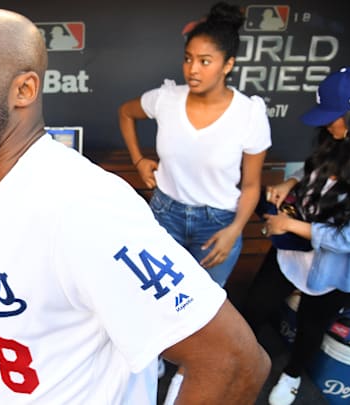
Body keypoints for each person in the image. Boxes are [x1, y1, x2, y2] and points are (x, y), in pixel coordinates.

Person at [0, 8, 270, 405]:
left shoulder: (83, 206)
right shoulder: (0, 187)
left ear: (23, 90)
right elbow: (21, 316)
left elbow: (235, 363)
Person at [118, 3, 271, 401]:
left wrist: (234, 231)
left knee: (197, 312)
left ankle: (185, 374)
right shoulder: (167, 100)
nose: (193, 69)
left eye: (205, 61)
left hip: (216, 226)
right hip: (164, 215)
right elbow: (125, 113)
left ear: (228, 65)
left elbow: (252, 186)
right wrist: (139, 160)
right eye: (188, 59)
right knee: (150, 296)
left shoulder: (249, 115)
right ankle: (152, 360)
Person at [242, 66, 350, 405]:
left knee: (311, 323)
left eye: (333, 116)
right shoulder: (335, 138)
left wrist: (290, 225)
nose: (326, 123)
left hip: (337, 265)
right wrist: (290, 184)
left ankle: (291, 376)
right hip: (294, 248)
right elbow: (313, 170)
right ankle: (237, 358)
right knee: (255, 305)